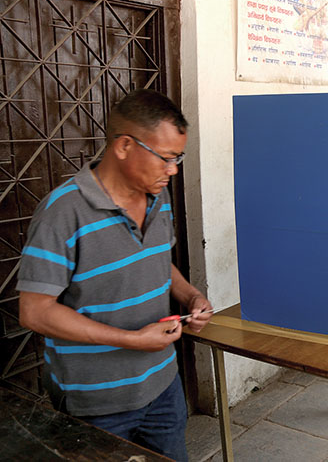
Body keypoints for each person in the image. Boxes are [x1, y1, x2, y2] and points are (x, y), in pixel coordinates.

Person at [17, 89, 213, 462]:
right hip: (95, 400)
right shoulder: (63, 212)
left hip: (162, 384)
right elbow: (35, 311)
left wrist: (190, 297)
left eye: (178, 158)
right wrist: (131, 340)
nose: (173, 170)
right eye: (166, 158)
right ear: (124, 146)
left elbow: (156, 260)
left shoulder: (158, 197)